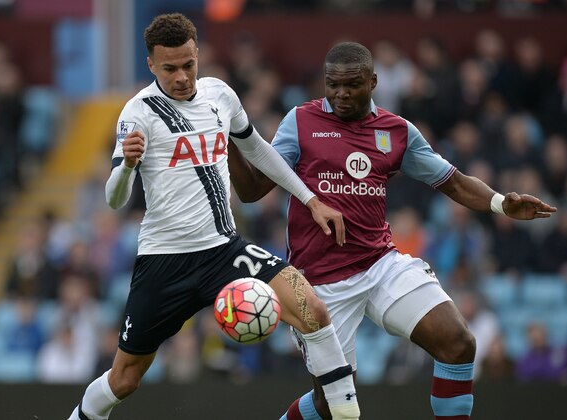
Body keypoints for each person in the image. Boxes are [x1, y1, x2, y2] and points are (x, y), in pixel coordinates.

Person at [228, 41, 557, 420]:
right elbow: (253, 192)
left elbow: (453, 181)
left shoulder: (396, 132)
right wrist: (231, 137)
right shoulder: (300, 123)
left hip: (379, 264)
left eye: (351, 85)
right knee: (332, 407)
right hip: (319, 286)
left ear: (373, 81)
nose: (340, 94)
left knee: (458, 342)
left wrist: (501, 203)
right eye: (332, 84)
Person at [67, 14, 360, 420]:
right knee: (125, 380)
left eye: (189, 64)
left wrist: (310, 199)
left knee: (313, 307)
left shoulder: (220, 94)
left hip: (225, 250)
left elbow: (257, 150)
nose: (182, 76)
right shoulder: (137, 114)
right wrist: (127, 167)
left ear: (197, 54)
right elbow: (115, 200)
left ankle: (347, 411)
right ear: (151, 65)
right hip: (164, 261)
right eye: (170, 68)